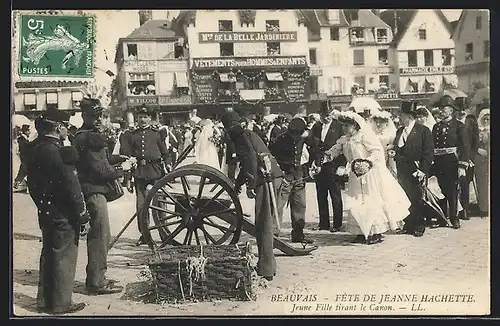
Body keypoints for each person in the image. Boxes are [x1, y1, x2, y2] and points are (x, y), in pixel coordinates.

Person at [26, 109, 90, 314]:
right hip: (64, 213)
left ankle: (44, 301)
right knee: (64, 256)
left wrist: (43, 205)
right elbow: (72, 186)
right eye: (66, 126)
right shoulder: (60, 152)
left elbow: (32, 184)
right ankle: (62, 304)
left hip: (45, 210)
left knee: (48, 254)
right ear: (59, 127)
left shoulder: (34, 150)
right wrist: (82, 214)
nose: (67, 130)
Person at [324, 111, 410, 245]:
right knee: (357, 202)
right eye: (344, 126)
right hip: (355, 175)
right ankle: (361, 231)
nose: (345, 128)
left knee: (371, 202)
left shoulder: (365, 136)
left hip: (370, 174)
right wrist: (325, 157)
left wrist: (366, 162)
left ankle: (375, 232)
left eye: (347, 125)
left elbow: (376, 151)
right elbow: (334, 150)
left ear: (356, 125)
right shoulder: (345, 139)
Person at [221, 109, 283, 281]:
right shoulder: (247, 134)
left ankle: (266, 269)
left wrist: (250, 185)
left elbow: (250, 161)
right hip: (272, 176)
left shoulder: (240, 137)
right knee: (265, 223)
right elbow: (248, 160)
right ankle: (268, 265)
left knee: (264, 225)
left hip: (265, 179)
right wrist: (239, 184)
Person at [72, 96, 125, 295]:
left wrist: (118, 159)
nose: (99, 120)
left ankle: (96, 276)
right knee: (100, 236)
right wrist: (121, 170)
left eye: (100, 116)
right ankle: (96, 282)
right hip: (93, 192)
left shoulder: (87, 135)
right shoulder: (87, 137)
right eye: (95, 116)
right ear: (85, 116)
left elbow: (102, 159)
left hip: (93, 190)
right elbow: (99, 168)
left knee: (101, 235)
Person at [121, 106, 170, 246]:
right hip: (140, 174)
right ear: (137, 118)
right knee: (141, 207)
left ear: (150, 118)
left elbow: (165, 154)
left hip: (155, 173)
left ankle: (164, 234)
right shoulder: (133, 135)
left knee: (160, 206)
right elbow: (129, 158)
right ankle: (145, 235)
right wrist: (128, 178)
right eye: (140, 117)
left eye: (145, 117)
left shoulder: (157, 134)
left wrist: (168, 165)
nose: (142, 120)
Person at [270, 117, 320, 243]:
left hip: (299, 176)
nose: (296, 137)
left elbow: (318, 147)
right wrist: (279, 174)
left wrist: (317, 162)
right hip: (285, 177)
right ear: (289, 131)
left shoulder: (305, 136)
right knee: (278, 207)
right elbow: (271, 158)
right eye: (294, 134)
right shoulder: (280, 140)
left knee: (300, 205)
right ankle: (273, 235)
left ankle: (298, 234)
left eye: (299, 134)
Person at [391, 101, 434, 237]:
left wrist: (423, 170)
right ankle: (408, 224)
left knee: (416, 198)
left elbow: (428, 152)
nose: (399, 118)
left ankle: (418, 225)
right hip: (402, 170)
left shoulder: (423, 131)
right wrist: (393, 153)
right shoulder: (399, 131)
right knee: (404, 197)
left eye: (401, 115)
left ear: (409, 116)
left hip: (416, 170)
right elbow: (397, 149)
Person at [431, 95, 470, 229]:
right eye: (440, 108)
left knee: (452, 191)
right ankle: (442, 217)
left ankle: (454, 218)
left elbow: (465, 146)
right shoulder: (436, 127)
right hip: (438, 162)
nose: (441, 111)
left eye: (444, 108)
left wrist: (462, 165)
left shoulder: (459, 126)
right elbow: (433, 147)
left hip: (452, 162)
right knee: (439, 190)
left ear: (451, 110)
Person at [309, 103, 346, 232]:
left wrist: (342, 165)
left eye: (329, 115)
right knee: (321, 195)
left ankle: (337, 224)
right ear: (320, 115)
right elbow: (312, 146)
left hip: (333, 166)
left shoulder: (339, 127)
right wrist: (314, 163)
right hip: (320, 166)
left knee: (335, 195)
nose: (327, 118)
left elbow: (343, 148)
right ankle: (323, 223)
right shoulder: (316, 127)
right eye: (324, 115)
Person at [455, 105, 479, 220]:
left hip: (468, 158)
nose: (461, 111)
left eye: (463, 109)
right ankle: (455, 209)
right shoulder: (453, 121)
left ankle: (465, 209)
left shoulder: (471, 121)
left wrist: (470, 158)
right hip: (454, 157)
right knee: (454, 184)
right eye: (459, 109)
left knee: (465, 184)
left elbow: (475, 141)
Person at [370, 110, 397, 178]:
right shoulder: (372, 135)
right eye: (376, 122)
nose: (378, 124)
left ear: (387, 123)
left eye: (381, 122)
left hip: (388, 162)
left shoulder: (391, 135)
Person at [475, 108, 489, 216]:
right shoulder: (477, 130)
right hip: (481, 160)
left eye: (488, 119)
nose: (486, 121)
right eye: (484, 119)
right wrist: (477, 149)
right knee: (482, 184)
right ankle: (484, 208)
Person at [14, 124, 31, 192]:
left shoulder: (24, 138)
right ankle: (17, 182)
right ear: (26, 131)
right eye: (28, 130)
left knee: (24, 170)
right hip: (24, 157)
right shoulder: (22, 139)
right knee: (24, 169)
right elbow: (24, 148)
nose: (29, 132)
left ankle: (18, 182)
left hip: (25, 157)